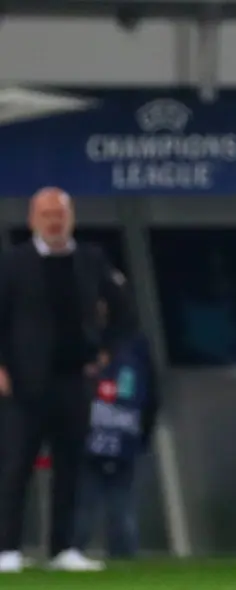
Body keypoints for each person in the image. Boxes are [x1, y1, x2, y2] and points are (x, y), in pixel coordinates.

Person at [0, 187, 134, 572]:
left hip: (74, 379)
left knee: (71, 467)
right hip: (24, 383)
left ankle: (64, 549)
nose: (54, 222)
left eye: (60, 215)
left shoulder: (91, 260)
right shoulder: (13, 263)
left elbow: (124, 312)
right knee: (15, 467)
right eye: (46, 215)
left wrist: (106, 351)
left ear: (71, 218)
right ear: (32, 221)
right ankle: (7, 549)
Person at [74, 300, 159, 559]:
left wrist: (144, 433)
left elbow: (151, 394)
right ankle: (72, 554)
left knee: (117, 505)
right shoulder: (133, 344)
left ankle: (116, 559)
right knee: (87, 504)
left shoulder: (132, 346)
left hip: (117, 436)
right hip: (94, 436)